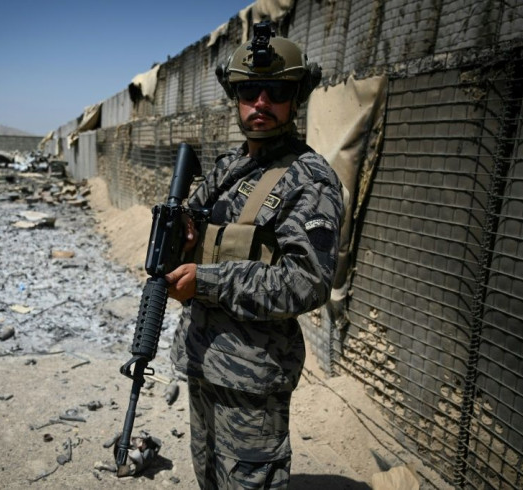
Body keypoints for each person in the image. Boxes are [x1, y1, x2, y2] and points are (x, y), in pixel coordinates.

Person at [164, 22, 346, 489]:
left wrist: (208, 282)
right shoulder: (227, 168)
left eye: (274, 91)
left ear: (295, 97)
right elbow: (202, 232)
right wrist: (181, 232)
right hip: (203, 357)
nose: (260, 103)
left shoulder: (310, 180)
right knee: (207, 475)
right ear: (236, 97)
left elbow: (307, 283)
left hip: (251, 376)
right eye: (249, 91)